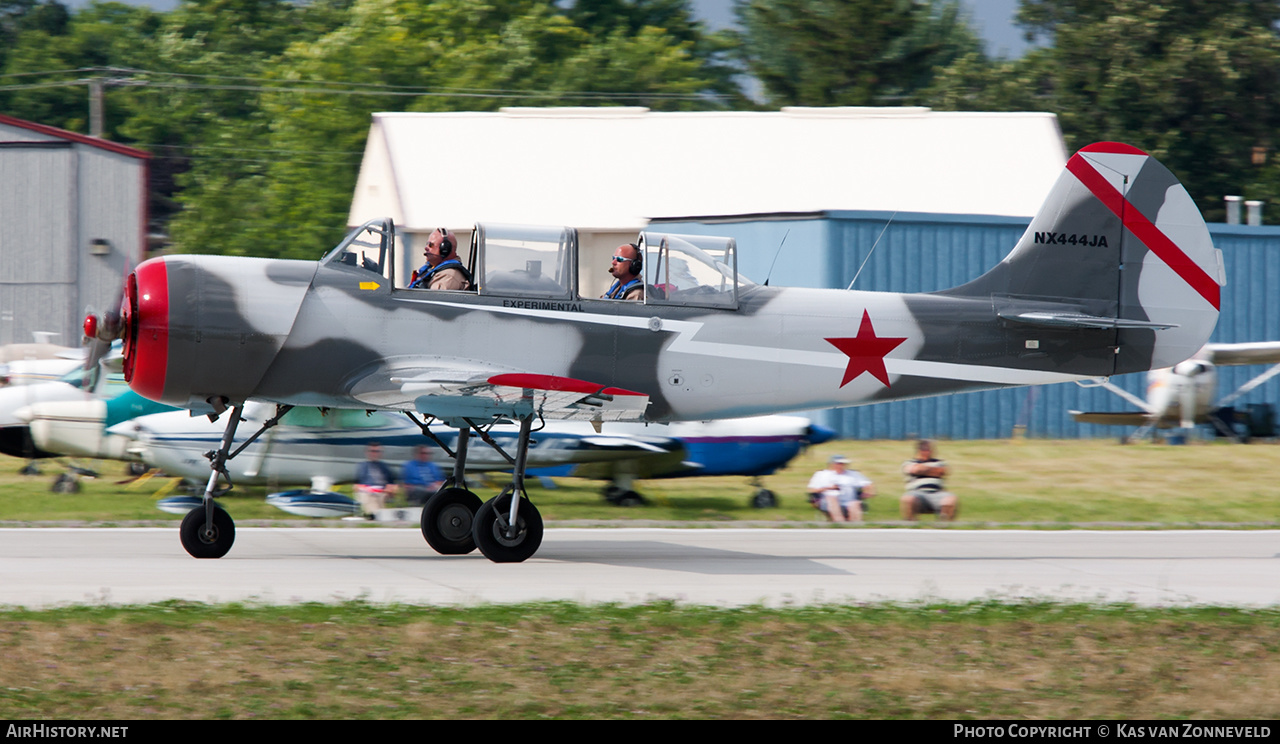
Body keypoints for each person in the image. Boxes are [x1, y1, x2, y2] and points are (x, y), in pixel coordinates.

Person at [901, 439, 958, 521]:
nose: (928, 452)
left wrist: (923, 470)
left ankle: (944, 525)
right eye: (925, 449)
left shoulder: (939, 462)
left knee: (951, 499)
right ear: (919, 450)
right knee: (908, 498)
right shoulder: (909, 462)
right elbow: (914, 470)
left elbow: (942, 471)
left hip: (937, 492)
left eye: (929, 450)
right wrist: (932, 470)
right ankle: (911, 524)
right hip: (917, 493)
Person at [807, 454, 874, 522]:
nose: (841, 465)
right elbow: (812, 490)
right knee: (832, 498)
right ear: (832, 464)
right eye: (839, 463)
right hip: (827, 501)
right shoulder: (821, 474)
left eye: (843, 464)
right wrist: (829, 488)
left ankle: (855, 526)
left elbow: (868, 484)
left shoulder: (853, 474)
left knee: (855, 503)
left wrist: (867, 492)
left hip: (849, 500)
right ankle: (840, 523)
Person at [354, 442, 398, 517]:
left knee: (379, 498)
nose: (374, 454)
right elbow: (356, 485)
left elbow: (392, 483)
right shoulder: (362, 467)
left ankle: (376, 515)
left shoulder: (384, 467)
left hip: (382, 492)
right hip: (367, 491)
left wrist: (390, 489)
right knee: (368, 497)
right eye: (372, 451)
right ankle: (375, 515)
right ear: (367, 453)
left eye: (377, 451)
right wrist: (364, 488)